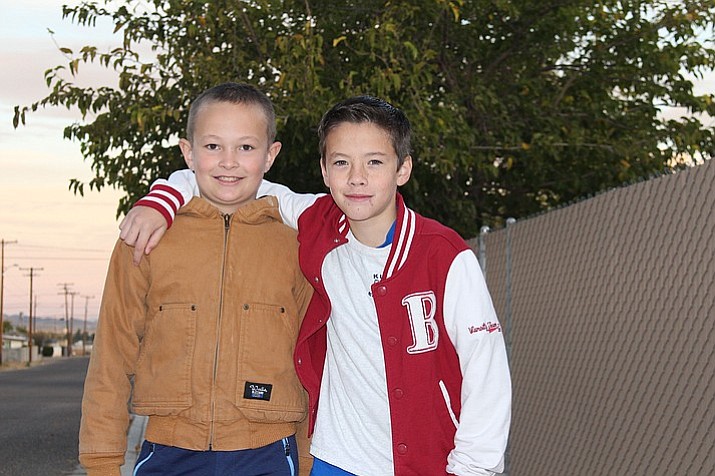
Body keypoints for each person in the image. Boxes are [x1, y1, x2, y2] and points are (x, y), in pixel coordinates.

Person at [120, 96, 512, 475]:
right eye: (341, 162)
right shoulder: (318, 224)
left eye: (374, 162)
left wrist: (473, 468)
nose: (357, 177)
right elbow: (232, 177)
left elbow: (486, 369)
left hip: (426, 461)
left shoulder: (444, 255)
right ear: (324, 171)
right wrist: (161, 198)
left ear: (403, 168)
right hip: (335, 460)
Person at [80, 82, 314, 476]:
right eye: (212, 147)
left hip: (269, 453)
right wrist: (102, 460)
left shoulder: (297, 244)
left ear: (270, 155)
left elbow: (314, 358)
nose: (228, 162)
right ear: (188, 152)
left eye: (246, 147)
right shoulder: (146, 237)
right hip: (169, 453)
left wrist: (307, 458)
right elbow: (112, 355)